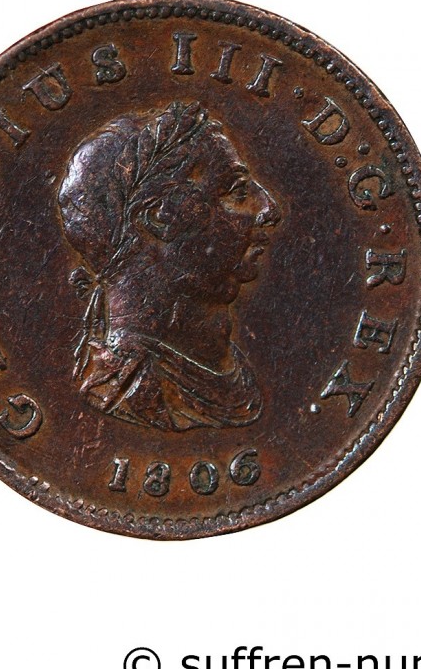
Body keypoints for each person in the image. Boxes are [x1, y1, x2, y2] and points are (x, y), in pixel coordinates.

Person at [57, 100, 282, 430]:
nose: (269, 209)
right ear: (160, 218)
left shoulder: (223, 369)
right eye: (237, 191)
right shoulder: (133, 392)